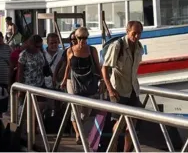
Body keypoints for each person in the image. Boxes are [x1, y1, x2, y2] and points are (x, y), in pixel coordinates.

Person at [101, 21, 144, 152]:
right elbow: (104, 68)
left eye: (139, 33)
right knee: (119, 124)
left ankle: (126, 151)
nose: (136, 36)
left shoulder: (139, 47)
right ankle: (113, 148)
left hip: (133, 89)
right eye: (134, 33)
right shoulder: (117, 46)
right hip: (119, 89)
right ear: (127, 31)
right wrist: (110, 89)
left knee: (133, 123)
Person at [61, 27, 101, 144]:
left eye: (85, 38)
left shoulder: (92, 50)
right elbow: (68, 66)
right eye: (80, 38)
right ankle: (79, 134)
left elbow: (98, 66)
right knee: (75, 107)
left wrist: (104, 80)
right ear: (76, 38)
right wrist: (64, 80)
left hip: (87, 80)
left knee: (86, 110)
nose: (82, 40)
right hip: (73, 80)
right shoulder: (70, 51)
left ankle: (79, 127)